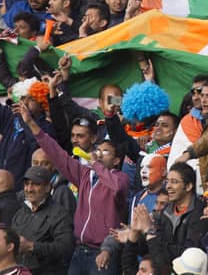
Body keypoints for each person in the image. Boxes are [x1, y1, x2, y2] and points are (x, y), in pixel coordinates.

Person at [18, 103, 129, 275]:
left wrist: (95, 165)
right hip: (79, 252)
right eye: (98, 150)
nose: (99, 153)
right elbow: (56, 153)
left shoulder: (120, 178)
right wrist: (31, 124)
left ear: (116, 161)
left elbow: (116, 187)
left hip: (104, 252)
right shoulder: (84, 175)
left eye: (106, 152)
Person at [134, 162, 208, 273]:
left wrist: (151, 234)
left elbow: (186, 253)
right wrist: (136, 234)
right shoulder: (165, 212)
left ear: (188, 186)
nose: (168, 186)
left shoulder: (201, 213)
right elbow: (150, 250)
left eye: (174, 182)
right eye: (167, 181)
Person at [12, 166, 74, 275]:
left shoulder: (59, 214)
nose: (29, 189)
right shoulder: (20, 213)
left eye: (35, 184)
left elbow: (66, 248)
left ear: (47, 187)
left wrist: (32, 247)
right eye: (27, 184)